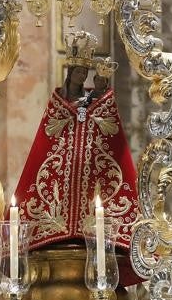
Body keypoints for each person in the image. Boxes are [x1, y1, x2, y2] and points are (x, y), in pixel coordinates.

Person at [12, 30, 143, 286]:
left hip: (91, 175)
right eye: (79, 73)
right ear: (70, 73)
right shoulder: (59, 103)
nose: (82, 77)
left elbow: (106, 125)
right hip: (62, 184)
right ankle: (55, 230)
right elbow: (49, 138)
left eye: (85, 74)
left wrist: (100, 96)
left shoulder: (90, 101)